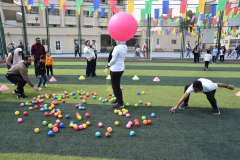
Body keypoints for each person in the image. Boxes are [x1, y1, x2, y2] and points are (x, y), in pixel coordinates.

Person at [169, 78, 234, 115]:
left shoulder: (209, 86)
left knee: (210, 97)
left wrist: (229, 86)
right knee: (186, 86)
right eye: (193, 89)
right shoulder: (192, 87)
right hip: (201, 81)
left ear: (200, 88)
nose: (194, 91)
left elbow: (219, 84)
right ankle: (185, 104)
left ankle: (215, 108)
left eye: (196, 89)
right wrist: (176, 106)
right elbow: (183, 96)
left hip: (209, 88)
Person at [106, 41, 127, 108]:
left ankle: (120, 103)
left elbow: (113, 59)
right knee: (115, 85)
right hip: (120, 68)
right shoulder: (125, 47)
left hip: (115, 69)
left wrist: (108, 65)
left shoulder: (117, 48)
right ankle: (118, 99)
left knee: (116, 86)